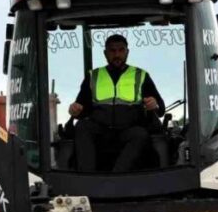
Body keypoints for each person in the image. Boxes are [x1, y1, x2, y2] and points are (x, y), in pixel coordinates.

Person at [68, 34, 165, 172]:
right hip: (101, 132)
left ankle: (117, 176)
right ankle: (87, 177)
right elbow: (81, 107)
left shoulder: (140, 75)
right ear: (105, 53)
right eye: (112, 51)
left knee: (141, 134)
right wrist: (75, 110)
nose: (117, 54)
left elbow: (160, 108)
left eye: (121, 50)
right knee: (82, 126)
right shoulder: (93, 76)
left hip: (128, 131)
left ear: (127, 52)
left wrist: (154, 104)